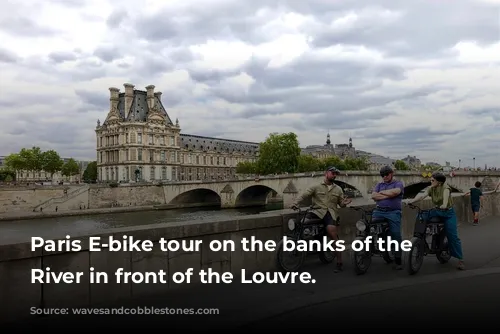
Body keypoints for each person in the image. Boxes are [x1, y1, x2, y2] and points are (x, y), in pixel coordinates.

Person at [290, 166, 352, 273]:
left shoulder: (338, 189)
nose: (334, 175)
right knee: (301, 223)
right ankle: (302, 247)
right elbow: (304, 195)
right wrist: (295, 203)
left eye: (335, 174)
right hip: (316, 212)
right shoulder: (316, 186)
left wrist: (344, 203)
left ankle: (339, 262)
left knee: (332, 233)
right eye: (332, 173)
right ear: (326, 173)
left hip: (330, 214)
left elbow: (341, 204)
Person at [410, 171, 465, 270]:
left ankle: (460, 259)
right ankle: (418, 239)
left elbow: (445, 198)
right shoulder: (431, 188)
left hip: (448, 213)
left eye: (432, 180)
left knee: (452, 236)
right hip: (437, 211)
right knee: (421, 215)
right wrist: (412, 201)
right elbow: (422, 196)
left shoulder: (445, 188)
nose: (430, 181)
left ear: (439, 182)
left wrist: (444, 205)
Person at [370, 165, 404, 270]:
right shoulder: (379, 184)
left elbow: (396, 192)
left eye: (386, 174)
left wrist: (381, 194)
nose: (384, 176)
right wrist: (389, 195)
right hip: (379, 211)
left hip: (393, 212)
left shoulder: (398, 183)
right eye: (382, 175)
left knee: (396, 234)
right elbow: (373, 196)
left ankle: (398, 260)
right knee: (368, 227)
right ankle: (370, 248)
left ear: (391, 174)